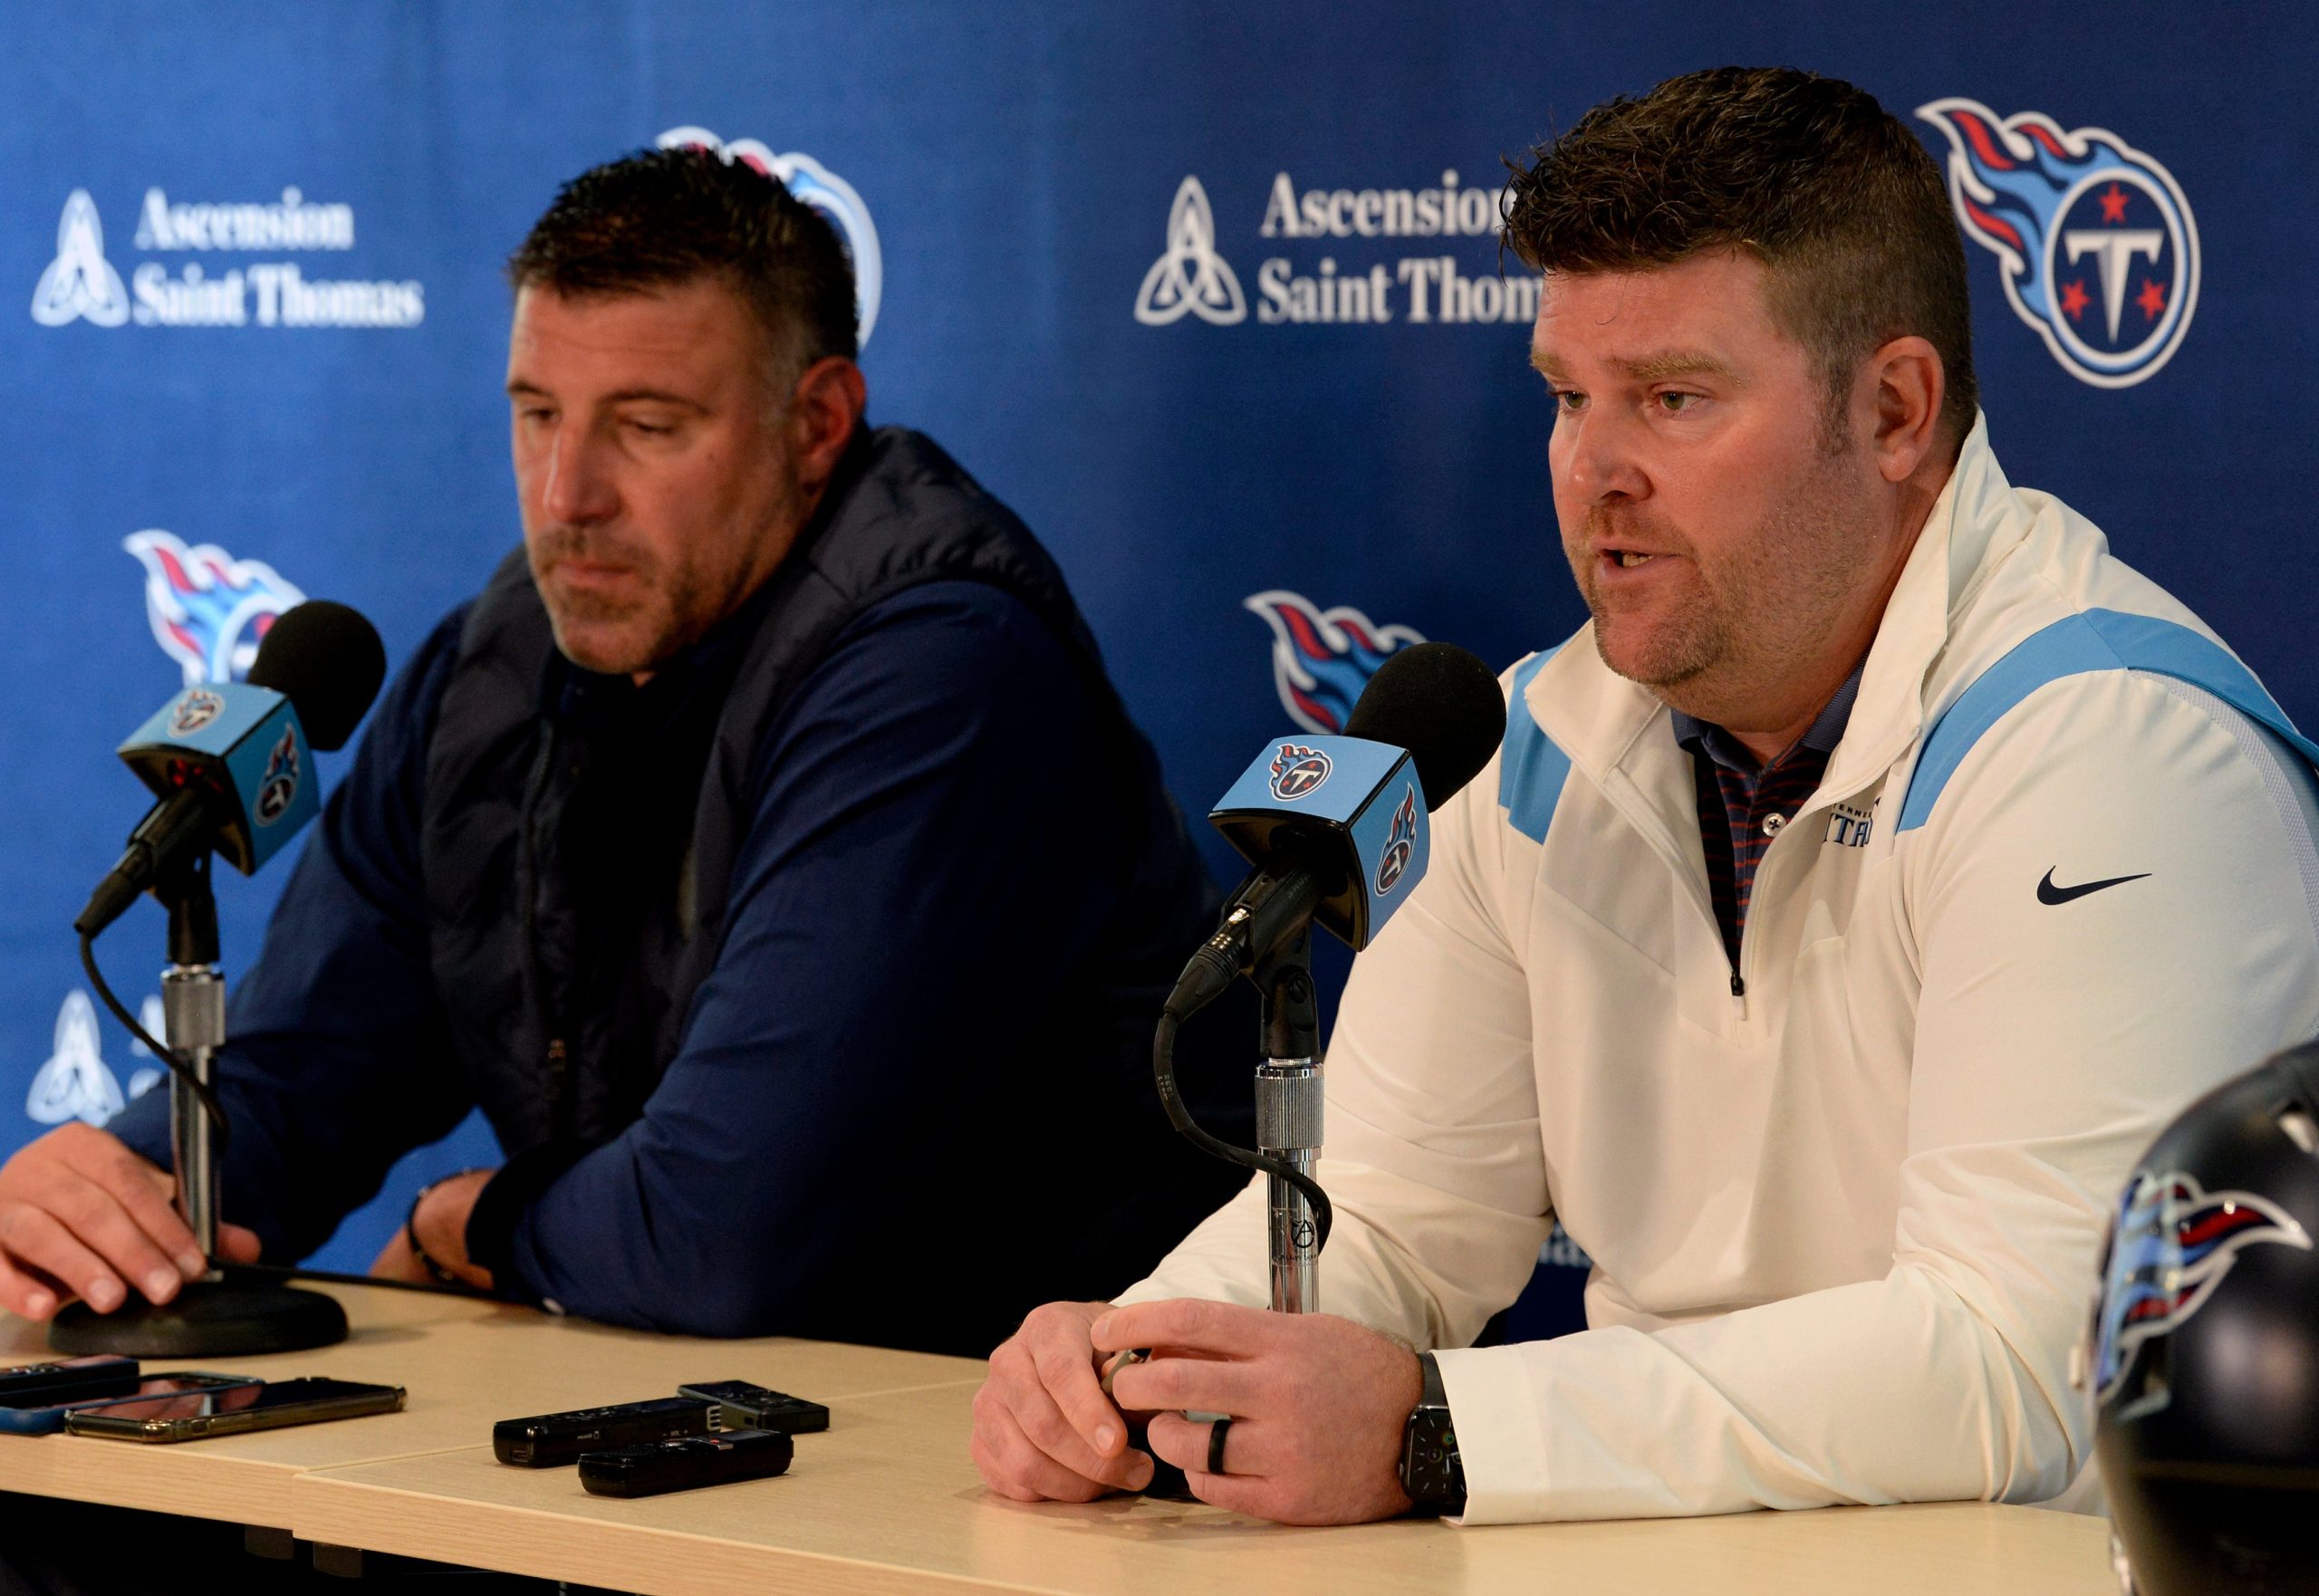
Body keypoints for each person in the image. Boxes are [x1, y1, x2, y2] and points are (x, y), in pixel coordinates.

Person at [969, 66, 2319, 1524]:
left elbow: (2024, 1365)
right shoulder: (1526, 739)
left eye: (1674, 398)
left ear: (1897, 411)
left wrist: (1440, 1430)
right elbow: (1396, 1220)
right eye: (1567, 396)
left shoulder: (2110, 746)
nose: (1594, 471)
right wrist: (1134, 1359)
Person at [0, 147, 1249, 1355]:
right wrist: (115, 1196)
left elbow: (723, 1226)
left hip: (1044, 1462)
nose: (564, 496)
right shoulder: (488, 672)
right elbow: (293, 1096)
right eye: (538, 413)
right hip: (678, 1426)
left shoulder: (943, 674)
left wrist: (469, 1223)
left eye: (646, 426)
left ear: (817, 423)